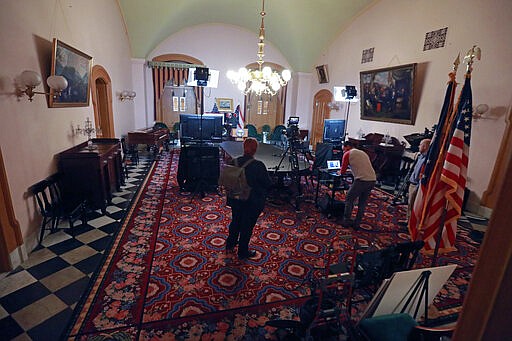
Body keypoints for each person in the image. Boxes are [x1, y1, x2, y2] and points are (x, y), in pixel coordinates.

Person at [225, 137, 272, 260]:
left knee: (235, 221)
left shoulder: (233, 162)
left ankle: (230, 243)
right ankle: (243, 251)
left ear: (243, 148)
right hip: (251, 202)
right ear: (255, 150)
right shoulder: (258, 165)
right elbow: (267, 184)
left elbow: (227, 182)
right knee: (247, 226)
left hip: (235, 199)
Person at [338, 140, 376, 229]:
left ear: (347, 147)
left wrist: (340, 171)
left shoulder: (347, 154)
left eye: (344, 149)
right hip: (372, 179)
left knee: (349, 198)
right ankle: (357, 223)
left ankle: (346, 220)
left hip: (362, 180)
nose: (343, 151)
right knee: (362, 202)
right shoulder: (362, 152)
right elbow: (361, 166)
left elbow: (342, 172)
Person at [401, 138, 431, 223]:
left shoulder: (427, 160)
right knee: (410, 203)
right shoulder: (420, 156)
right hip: (412, 182)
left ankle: (412, 223)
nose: (418, 146)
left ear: (425, 146)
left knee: (415, 205)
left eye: (420, 145)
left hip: (418, 185)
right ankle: (408, 221)